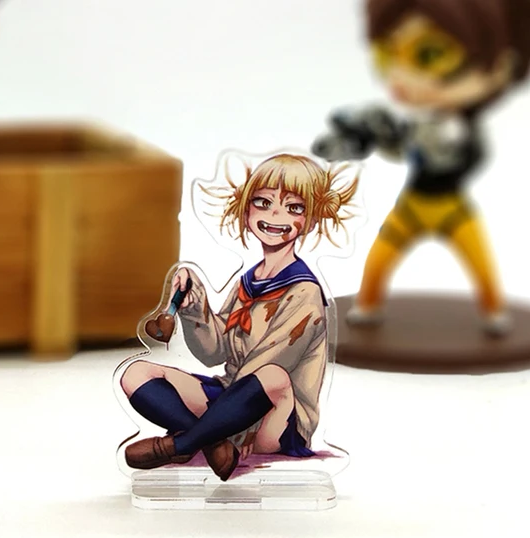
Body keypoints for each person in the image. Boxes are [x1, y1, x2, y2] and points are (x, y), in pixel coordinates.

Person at [312, 0, 530, 337]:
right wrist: (369, 137)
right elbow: (399, 149)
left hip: (454, 210)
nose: (400, 78)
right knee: (379, 259)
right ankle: (368, 307)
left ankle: (495, 314)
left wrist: (443, 149)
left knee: (481, 264)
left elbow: (471, 158)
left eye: (430, 55)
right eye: (387, 55)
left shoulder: (461, 131)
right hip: (412, 207)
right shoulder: (419, 126)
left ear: (502, 67)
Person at [120, 154, 358, 481]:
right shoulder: (248, 282)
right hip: (230, 401)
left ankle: (182, 444)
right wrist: (195, 305)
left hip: (277, 416)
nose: (275, 215)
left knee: (273, 375)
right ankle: (212, 442)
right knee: (136, 373)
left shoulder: (304, 292)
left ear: (312, 219)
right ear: (246, 210)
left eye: (294, 207)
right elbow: (214, 352)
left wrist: (240, 428)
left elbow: (267, 366)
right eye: (263, 202)